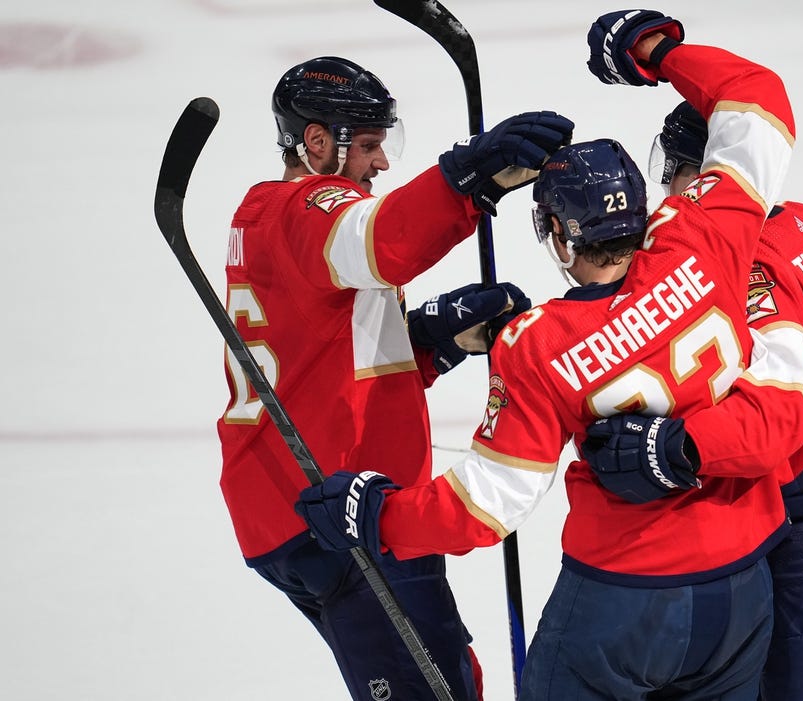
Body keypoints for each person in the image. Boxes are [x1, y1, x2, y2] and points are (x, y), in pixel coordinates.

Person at [296, 12, 803, 700]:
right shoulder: (702, 232)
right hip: (742, 589)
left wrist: (378, 515)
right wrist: (660, 52)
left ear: (556, 233)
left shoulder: (539, 343)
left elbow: (487, 504)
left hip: (621, 603)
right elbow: (758, 101)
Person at [217, 55, 573, 701]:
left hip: (280, 502)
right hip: (343, 508)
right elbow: (383, 241)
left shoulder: (262, 213)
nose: (382, 163)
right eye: (371, 145)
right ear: (318, 141)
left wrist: (431, 342)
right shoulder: (310, 206)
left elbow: (320, 356)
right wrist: (465, 180)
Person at [584, 99, 803, 700]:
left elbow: (785, 406)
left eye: (680, 171)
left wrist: (676, 448)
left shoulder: (742, 268)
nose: (670, 188)